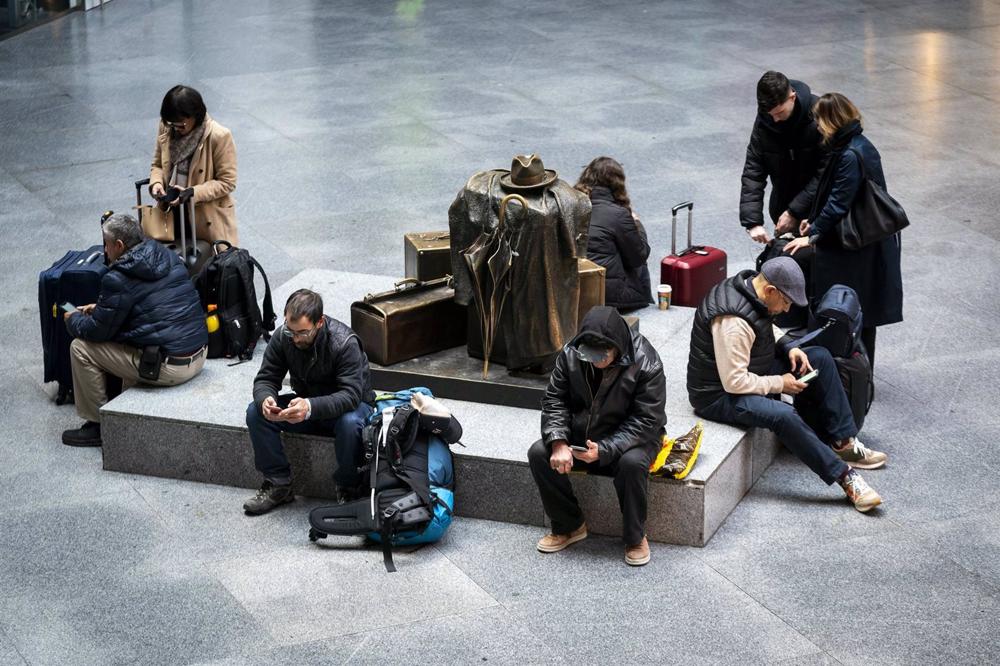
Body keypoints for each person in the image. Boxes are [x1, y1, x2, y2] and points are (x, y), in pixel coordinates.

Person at [686, 257, 887, 513]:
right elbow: (734, 382)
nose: (787, 309)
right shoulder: (733, 323)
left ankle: (844, 443)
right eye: (786, 301)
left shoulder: (752, 289)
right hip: (717, 395)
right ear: (770, 290)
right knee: (783, 415)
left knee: (819, 359)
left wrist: (789, 346)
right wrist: (780, 383)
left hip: (748, 369)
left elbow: (764, 325)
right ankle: (846, 478)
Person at [528, 306, 666, 566]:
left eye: (602, 354)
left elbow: (648, 419)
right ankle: (569, 525)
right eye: (589, 354)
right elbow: (555, 400)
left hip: (631, 439)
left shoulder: (646, 361)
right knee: (539, 453)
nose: (595, 360)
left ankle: (635, 536)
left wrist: (606, 448)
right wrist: (558, 442)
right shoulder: (571, 353)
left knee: (632, 464)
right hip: (584, 435)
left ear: (618, 347)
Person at [61, 214, 208, 447]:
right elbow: (149, 304)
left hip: (171, 367)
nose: (105, 252)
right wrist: (101, 308)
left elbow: (96, 332)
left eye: (107, 245)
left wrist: (73, 318)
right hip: (199, 353)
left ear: (119, 245)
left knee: (80, 347)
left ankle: (97, 426)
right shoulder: (166, 255)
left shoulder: (117, 278)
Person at [783, 93, 903, 368]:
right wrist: (814, 222)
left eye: (820, 121)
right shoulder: (859, 144)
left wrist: (812, 235)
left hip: (855, 246)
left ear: (831, 120)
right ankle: (860, 368)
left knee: (846, 304)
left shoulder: (849, 154)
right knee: (863, 310)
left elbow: (839, 202)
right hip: (867, 240)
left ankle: (848, 368)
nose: (817, 127)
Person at [243, 289, 375, 516]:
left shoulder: (344, 343)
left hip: (348, 409)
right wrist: (266, 399)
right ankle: (278, 484)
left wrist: (310, 407)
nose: (295, 338)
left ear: (320, 323)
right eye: (290, 330)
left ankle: (349, 487)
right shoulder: (283, 336)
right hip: (305, 406)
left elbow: (351, 395)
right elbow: (266, 378)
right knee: (256, 413)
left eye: (302, 333)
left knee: (350, 423)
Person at [740, 71, 825, 244]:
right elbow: (754, 169)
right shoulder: (766, 119)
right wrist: (753, 221)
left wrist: (794, 212)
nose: (775, 119)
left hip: (819, 213)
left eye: (779, 113)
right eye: (770, 114)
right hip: (783, 212)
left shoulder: (819, 113)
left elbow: (825, 172)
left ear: (792, 97)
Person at [149, 85, 239, 245]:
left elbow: (227, 182)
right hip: (171, 212)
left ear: (195, 116)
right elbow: (158, 164)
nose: (176, 128)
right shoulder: (166, 126)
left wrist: (192, 193)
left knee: (205, 264)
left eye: (181, 125)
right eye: (172, 124)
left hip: (205, 217)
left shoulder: (219, 136)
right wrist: (156, 183)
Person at [574, 157, 653, 312]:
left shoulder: (571, 205)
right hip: (608, 296)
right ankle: (648, 302)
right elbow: (638, 256)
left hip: (573, 289)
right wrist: (636, 223)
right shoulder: (618, 214)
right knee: (640, 262)